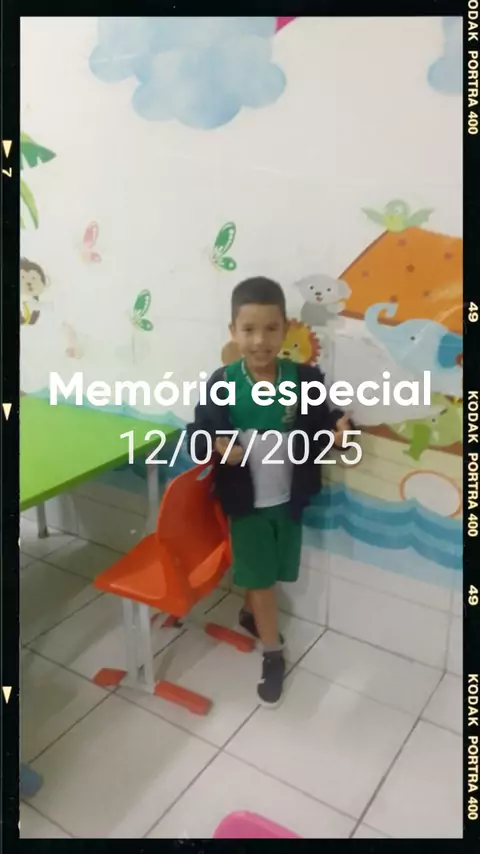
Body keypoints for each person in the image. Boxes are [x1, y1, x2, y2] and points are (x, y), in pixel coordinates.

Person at [187, 277, 351, 706]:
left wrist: (340, 431)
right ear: (233, 331)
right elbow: (198, 432)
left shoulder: (303, 378)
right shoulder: (223, 382)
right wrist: (218, 443)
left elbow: (326, 421)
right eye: (249, 330)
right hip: (246, 506)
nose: (260, 341)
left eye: (271, 329)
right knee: (261, 580)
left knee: (271, 572)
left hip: (288, 500)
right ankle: (273, 653)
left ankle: (249, 614)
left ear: (285, 329)